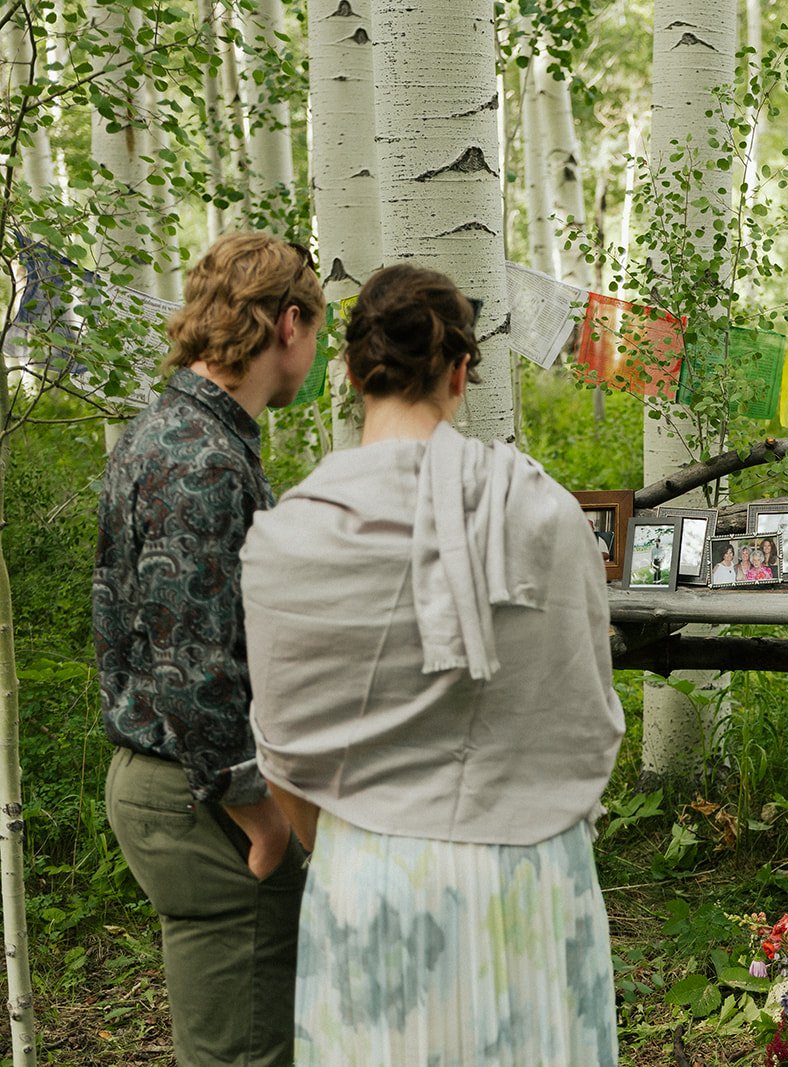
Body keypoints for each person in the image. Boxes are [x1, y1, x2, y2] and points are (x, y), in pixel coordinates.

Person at [239, 263, 625, 1064]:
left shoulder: (286, 539)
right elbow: (587, 715)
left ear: (351, 373)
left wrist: (360, 832)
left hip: (370, 876)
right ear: (459, 372)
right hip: (532, 874)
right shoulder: (548, 512)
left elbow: (280, 752)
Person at [95, 232, 324, 1066]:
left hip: (181, 786)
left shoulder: (175, 430)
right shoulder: (200, 458)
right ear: (289, 323)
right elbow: (192, 669)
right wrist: (261, 819)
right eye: (317, 332)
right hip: (205, 797)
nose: (315, 354)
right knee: (243, 1053)